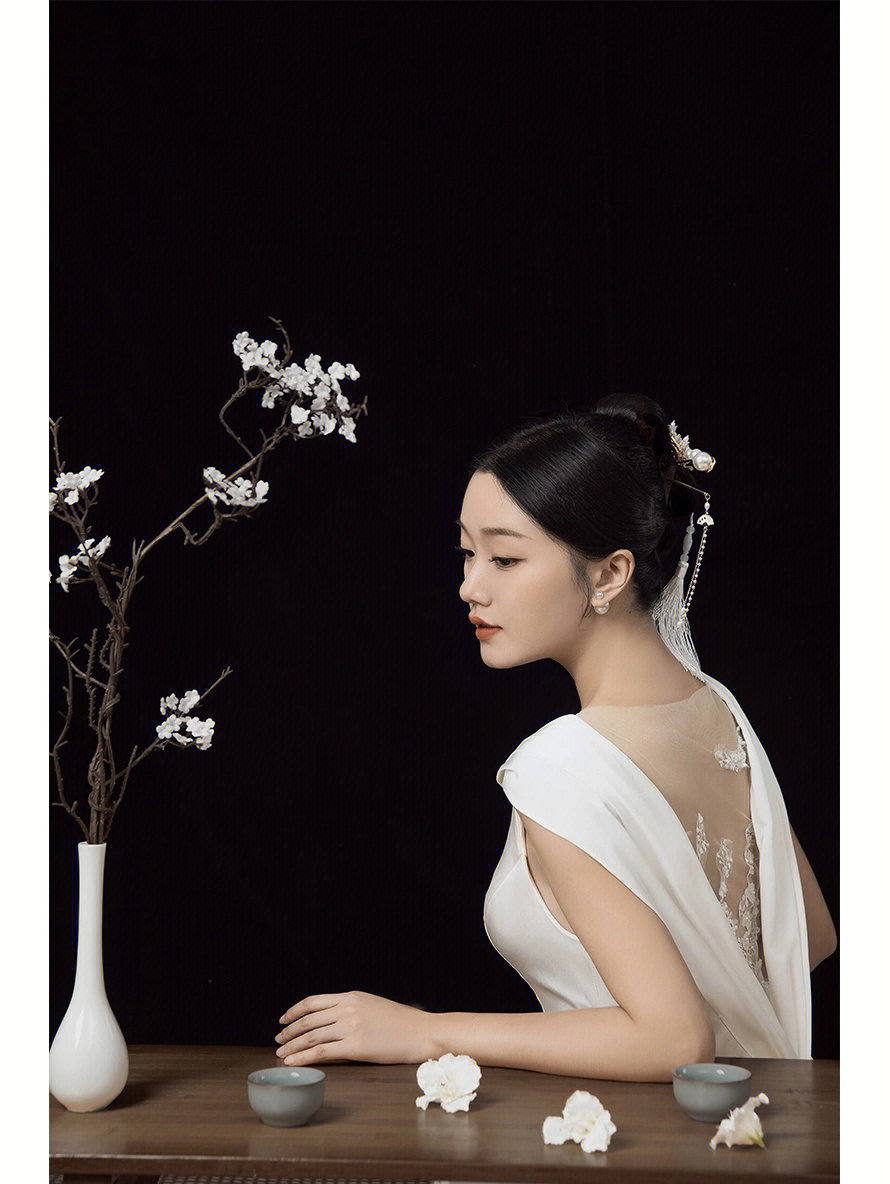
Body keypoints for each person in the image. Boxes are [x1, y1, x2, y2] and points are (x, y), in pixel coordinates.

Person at [274, 394, 837, 1082]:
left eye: (505, 559)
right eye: (467, 553)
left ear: (609, 574)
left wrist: (427, 1032)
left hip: (644, 1131)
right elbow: (808, 934)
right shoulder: (717, 710)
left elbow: (674, 1041)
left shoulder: (562, 767)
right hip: (756, 1118)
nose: (470, 587)